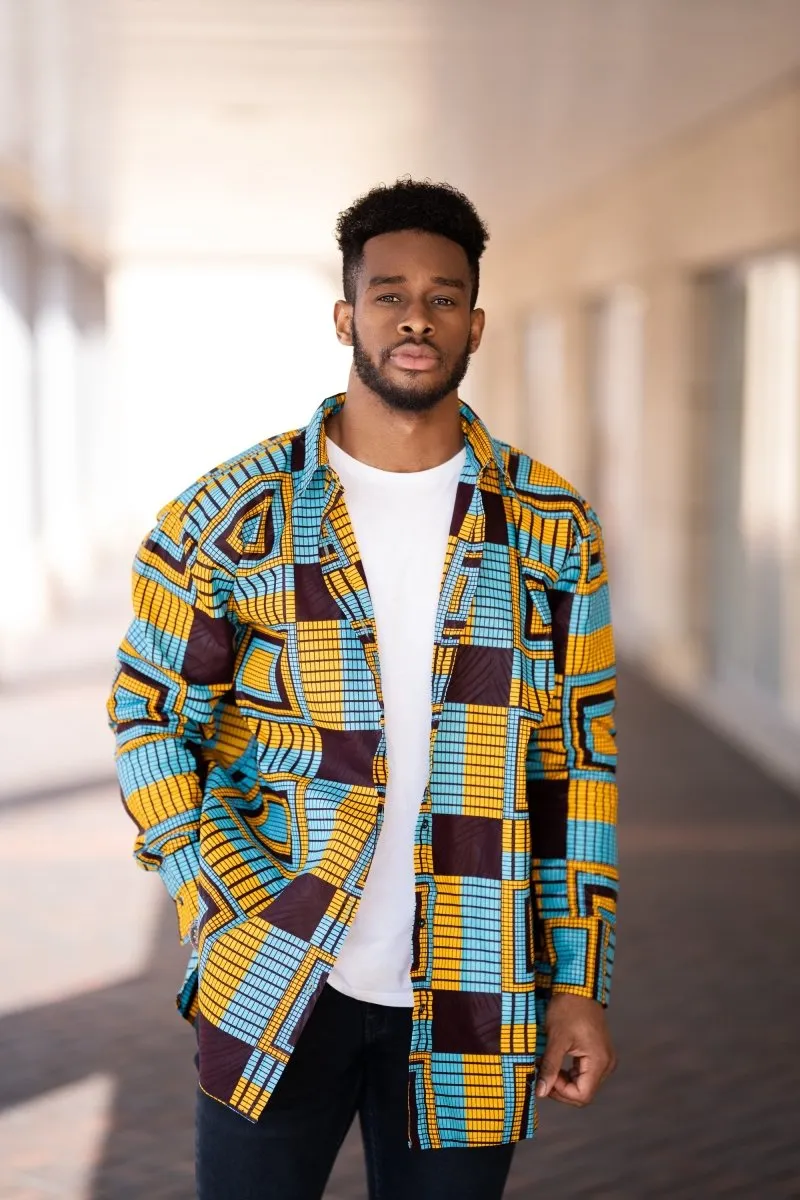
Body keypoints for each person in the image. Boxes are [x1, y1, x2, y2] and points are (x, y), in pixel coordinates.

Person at [108, 178, 618, 1200]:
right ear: (346, 316)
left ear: (474, 321)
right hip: (275, 975)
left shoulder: (550, 525)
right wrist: (226, 901)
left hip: (478, 987)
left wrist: (578, 984)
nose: (414, 318)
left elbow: (576, 767)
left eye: (441, 297)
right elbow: (152, 719)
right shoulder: (230, 513)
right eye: (388, 295)